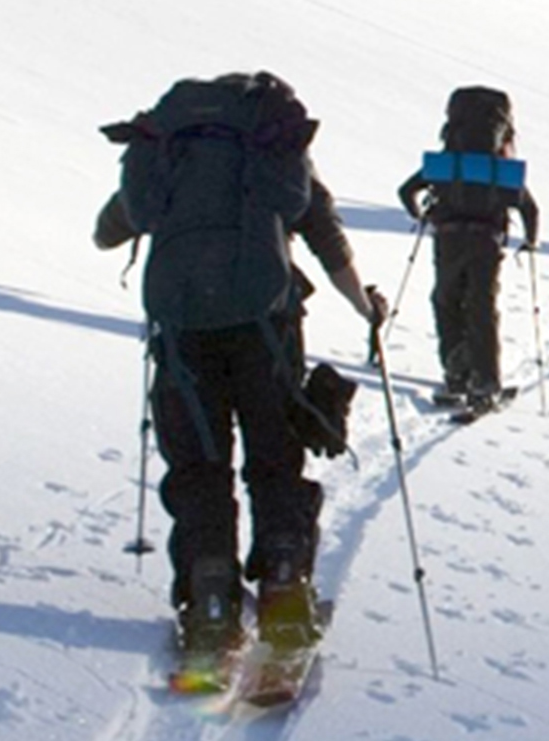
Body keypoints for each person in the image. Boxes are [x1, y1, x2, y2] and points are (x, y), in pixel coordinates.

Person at [94, 72, 384, 677]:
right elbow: (325, 233)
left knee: (199, 468)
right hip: (265, 325)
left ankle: (210, 604)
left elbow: (110, 230)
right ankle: (284, 591)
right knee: (274, 458)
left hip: (182, 330)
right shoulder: (271, 146)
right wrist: (366, 308)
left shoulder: (170, 147)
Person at [397, 86, 541, 416]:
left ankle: (456, 376)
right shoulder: (501, 167)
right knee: (481, 306)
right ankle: (485, 384)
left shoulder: (446, 162)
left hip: (448, 240)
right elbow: (530, 209)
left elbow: (406, 191)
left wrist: (421, 216)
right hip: (486, 241)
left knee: (446, 299)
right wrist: (530, 241)